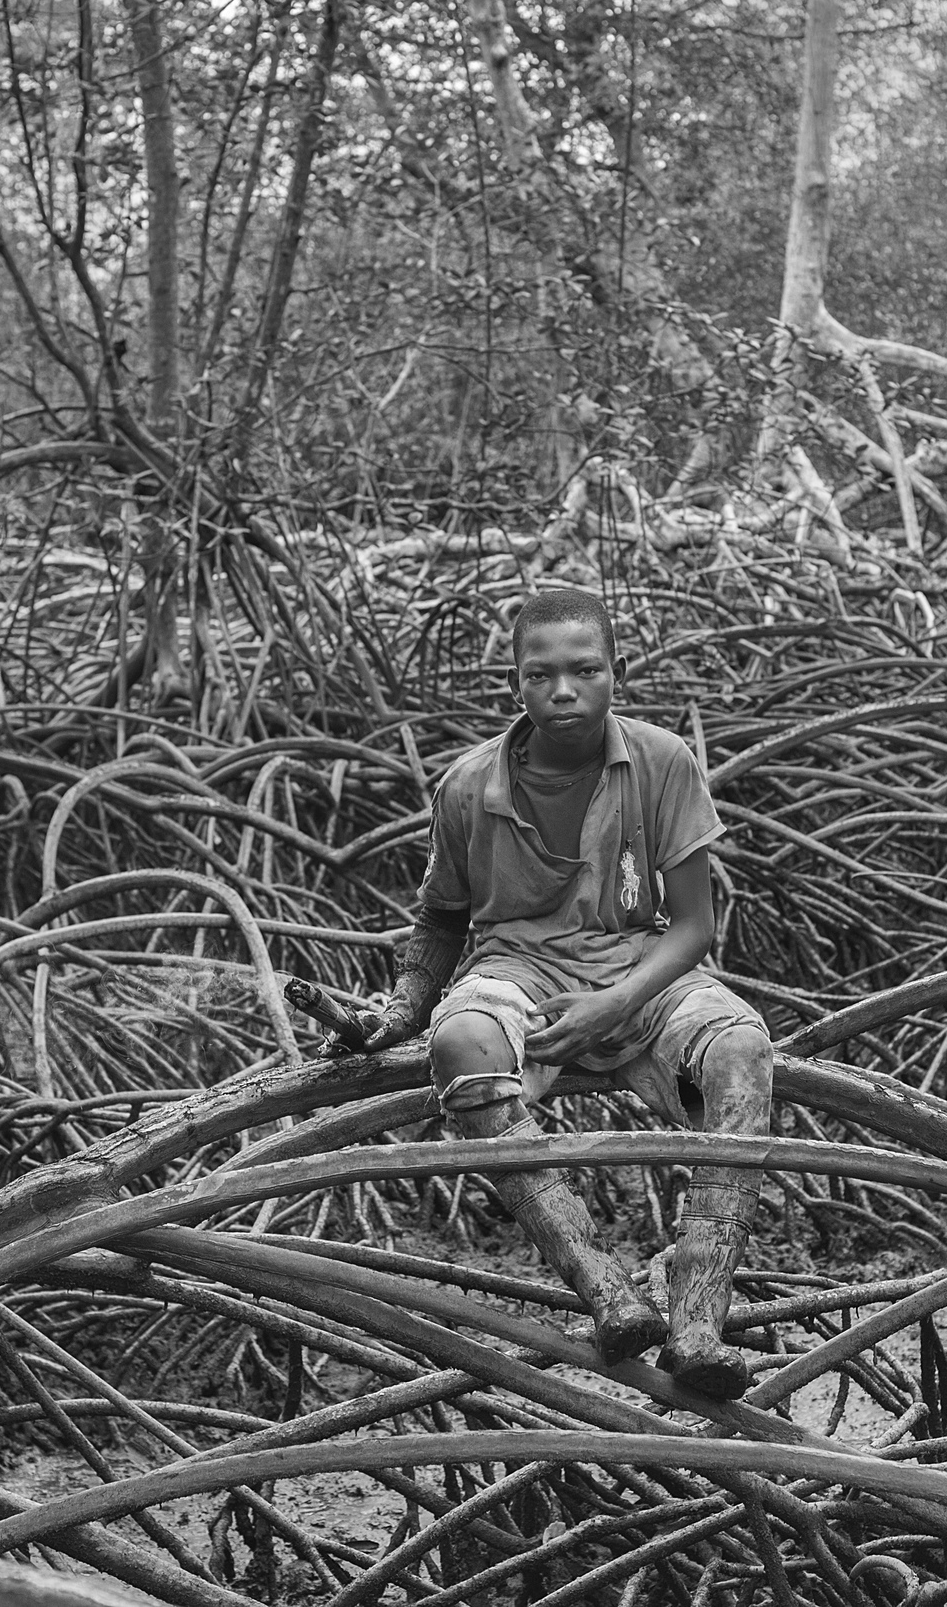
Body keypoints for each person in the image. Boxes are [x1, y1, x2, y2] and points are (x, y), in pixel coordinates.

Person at [339, 587, 776, 1400]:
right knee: (459, 1042)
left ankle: (699, 1316)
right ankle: (602, 1283)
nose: (565, 691)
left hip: (647, 970)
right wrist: (398, 1008)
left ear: (617, 673)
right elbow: (440, 919)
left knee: (744, 1051)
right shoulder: (468, 786)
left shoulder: (662, 760)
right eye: (542, 675)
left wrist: (612, 1005)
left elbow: (693, 926)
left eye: (585, 670)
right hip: (520, 975)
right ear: (516, 683)